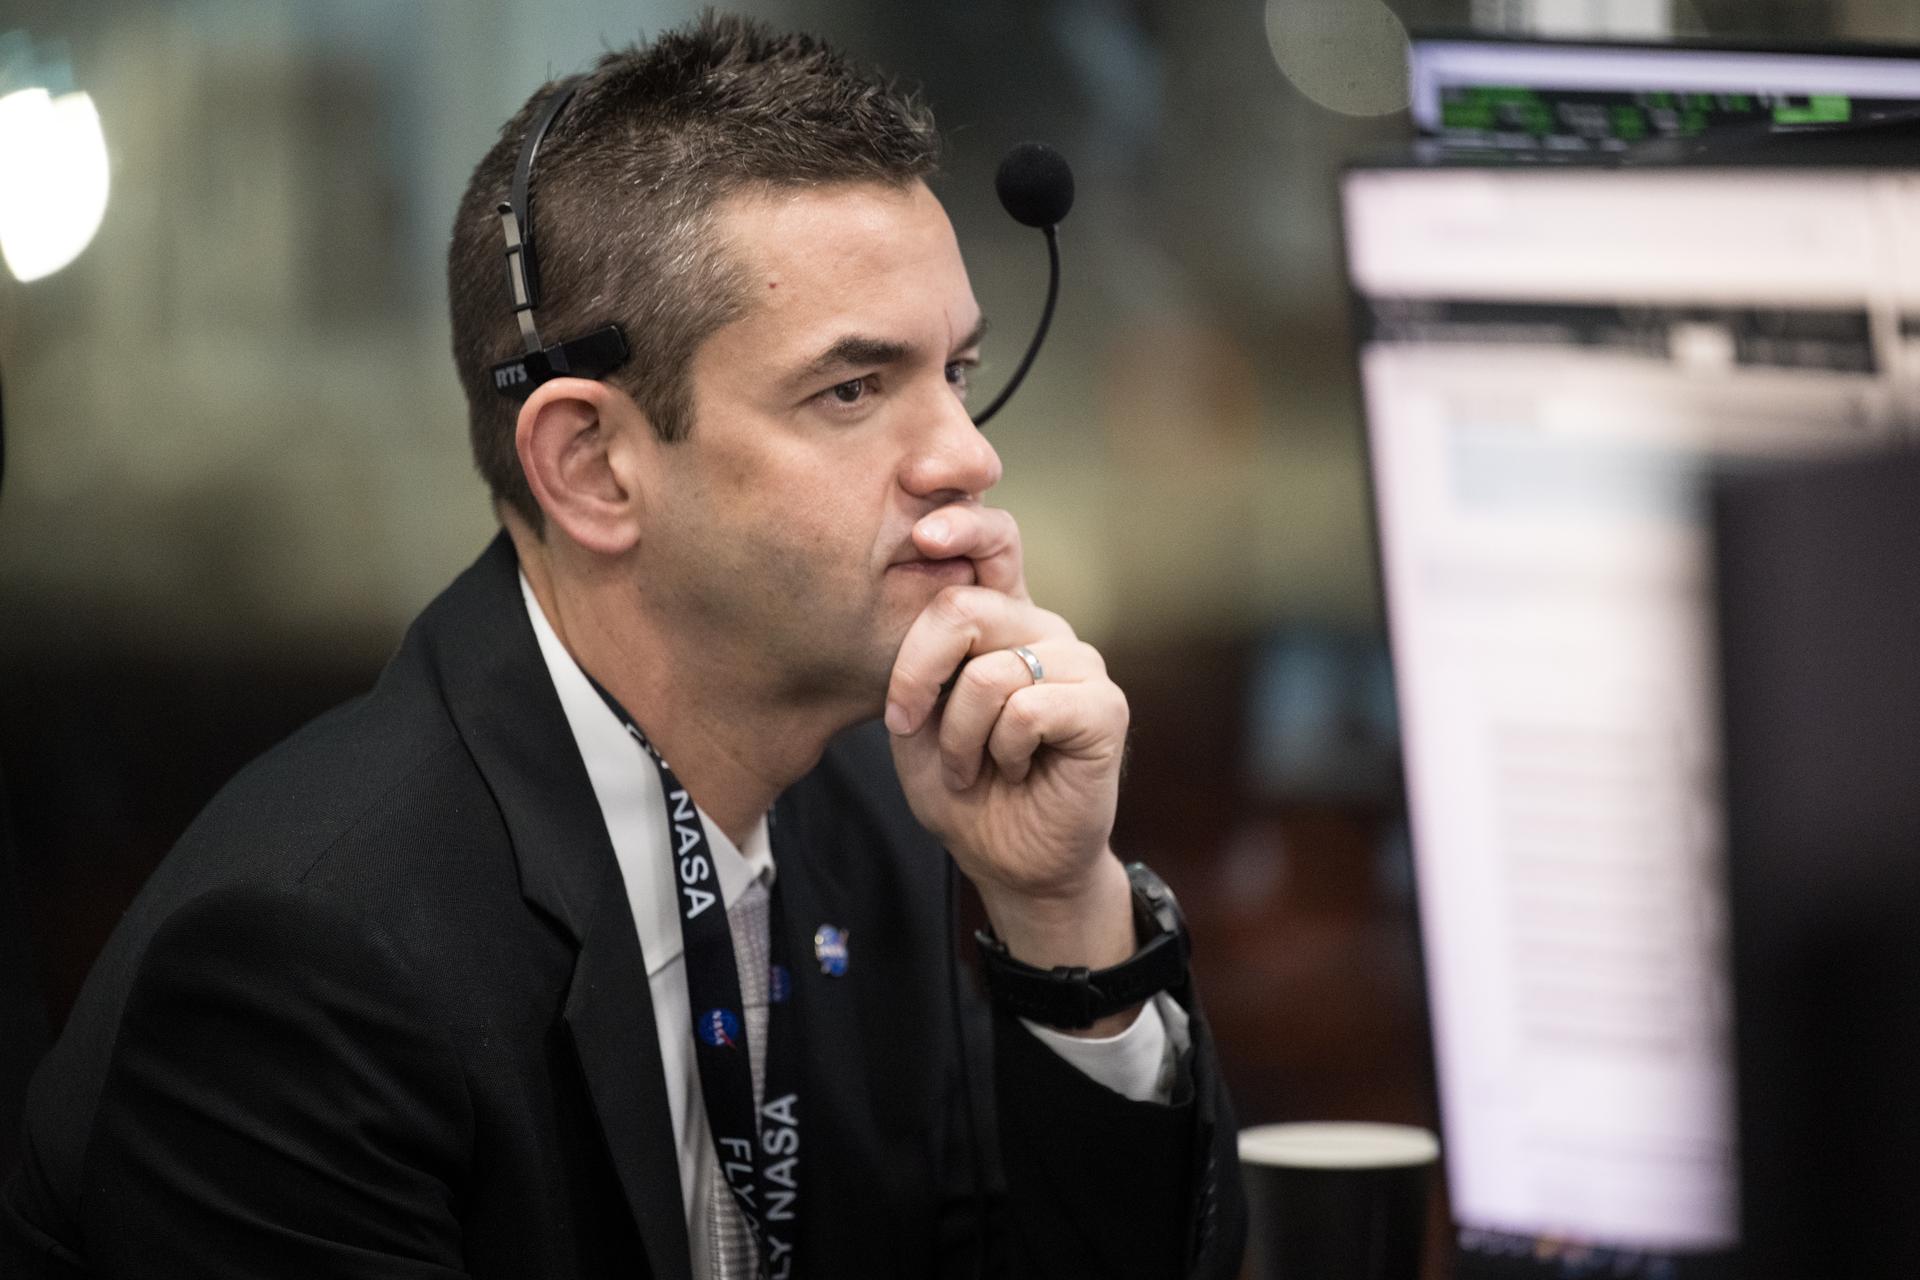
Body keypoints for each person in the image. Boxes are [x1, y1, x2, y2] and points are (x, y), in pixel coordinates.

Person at [1, 15, 1246, 1278]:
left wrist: (1060, 910)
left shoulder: (884, 814)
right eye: (852, 389)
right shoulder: (314, 958)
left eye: (958, 373)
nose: (968, 456)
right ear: (591, 466)